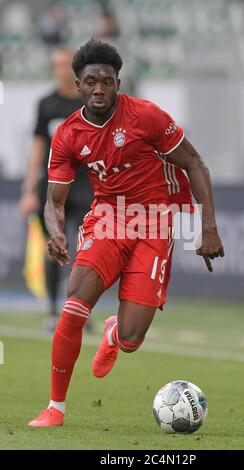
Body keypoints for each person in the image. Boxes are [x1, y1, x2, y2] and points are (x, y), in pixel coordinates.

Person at [28, 39, 224, 427]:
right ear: (79, 85)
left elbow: (195, 164)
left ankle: (117, 334)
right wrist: (56, 232)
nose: (98, 89)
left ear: (118, 82)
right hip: (109, 219)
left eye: (106, 81)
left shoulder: (147, 117)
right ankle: (55, 408)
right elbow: (54, 200)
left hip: (155, 221)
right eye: (90, 82)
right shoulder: (68, 134)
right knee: (75, 299)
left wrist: (208, 228)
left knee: (134, 338)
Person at [19, 47, 92, 332]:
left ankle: (80, 310)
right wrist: (28, 188)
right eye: (57, 65)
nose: (61, 70)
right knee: (56, 245)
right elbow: (38, 145)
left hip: (86, 185)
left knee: (87, 249)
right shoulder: (46, 104)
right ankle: (52, 310)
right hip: (52, 186)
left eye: (66, 65)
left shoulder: (90, 103)